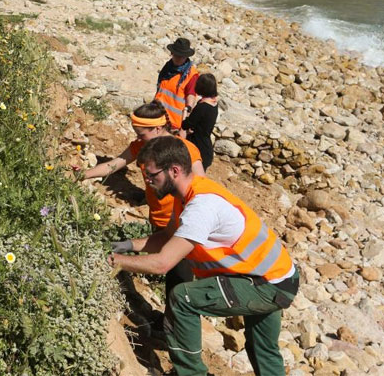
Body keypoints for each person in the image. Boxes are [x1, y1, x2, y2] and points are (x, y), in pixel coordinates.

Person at [108, 136, 299, 376]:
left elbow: (163, 263)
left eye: (152, 175)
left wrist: (115, 262)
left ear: (174, 170)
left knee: (183, 299)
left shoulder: (201, 207)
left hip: (267, 283)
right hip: (275, 275)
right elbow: (168, 237)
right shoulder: (189, 194)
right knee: (263, 348)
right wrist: (128, 245)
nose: (147, 181)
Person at [83, 100, 204, 299]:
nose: (138, 138)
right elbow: (115, 165)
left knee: (179, 280)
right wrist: (84, 174)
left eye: (141, 134)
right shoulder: (143, 145)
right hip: (159, 221)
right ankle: (167, 321)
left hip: (181, 225)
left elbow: (201, 185)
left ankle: (174, 325)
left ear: (157, 128)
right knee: (171, 281)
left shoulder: (184, 150)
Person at [155, 37, 199, 131]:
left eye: (181, 56)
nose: (178, 58)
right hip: (158, 117)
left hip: (174, 124)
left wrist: (187, 114)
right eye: (176, 55)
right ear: (172, 54)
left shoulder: (191, 74)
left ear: (186, 57)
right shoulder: (168, 67)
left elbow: (191, 95)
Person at [181, 73, 219, 170]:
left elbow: (185, 125)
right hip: (206, 147)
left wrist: (185, 112)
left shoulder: (202, 107)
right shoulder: (214, 104)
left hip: (196, 149)